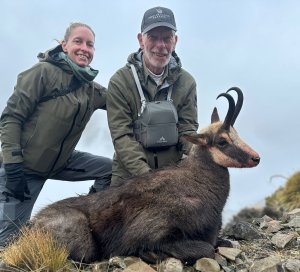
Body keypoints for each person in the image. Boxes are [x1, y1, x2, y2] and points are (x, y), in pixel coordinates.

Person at [0, 22, 112, 246]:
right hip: (24, 169)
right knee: (7, 243)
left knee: (110, 169)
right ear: (64, 45)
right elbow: (11, 118)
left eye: (90, 44)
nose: (84, 48)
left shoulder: (91, 89)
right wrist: (12, 167)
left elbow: (121, 101)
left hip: (62, 161)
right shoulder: (41, 73)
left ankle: (87, 212)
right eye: (78, 41)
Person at [107, 7, 198, 186]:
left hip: (172, 176)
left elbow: (187, 131)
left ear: (175, 41)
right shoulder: (120, 81)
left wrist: (201, 157)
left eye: (167, 38)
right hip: (129, 179)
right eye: (153, 37)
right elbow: (122, 136)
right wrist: (148, 179)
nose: (160, 45)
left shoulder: (187, 82)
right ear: (141, 40)